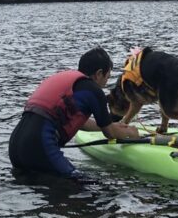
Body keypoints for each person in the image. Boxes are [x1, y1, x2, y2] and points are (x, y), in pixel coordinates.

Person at [9, 47, 140, 178]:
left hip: (15, 146)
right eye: (107, 77)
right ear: (99, 73)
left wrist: (110, 126)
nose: (106, 83)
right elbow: (110, 134)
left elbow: (78, 122)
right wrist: (130, 133)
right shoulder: (93, 90)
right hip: (40, 144)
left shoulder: (68, 82)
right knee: (81, 186)